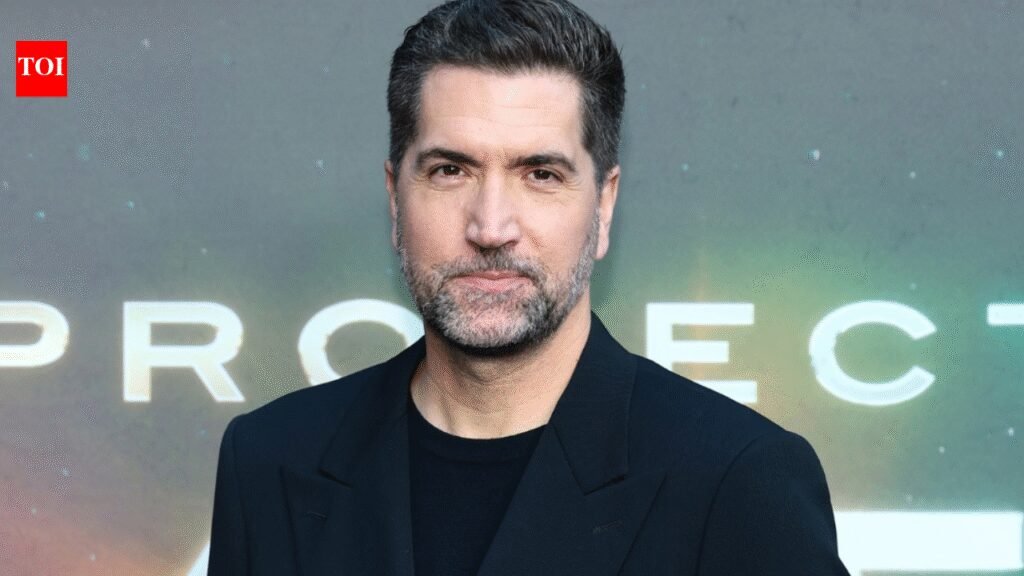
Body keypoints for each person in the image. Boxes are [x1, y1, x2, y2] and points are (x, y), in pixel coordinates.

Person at [207, 0, 851, 574]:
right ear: (395, 198)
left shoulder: (738, 480)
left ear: (603, 206)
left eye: (540, 174)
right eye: (450, 170)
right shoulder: (269, 461)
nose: (491, 227)